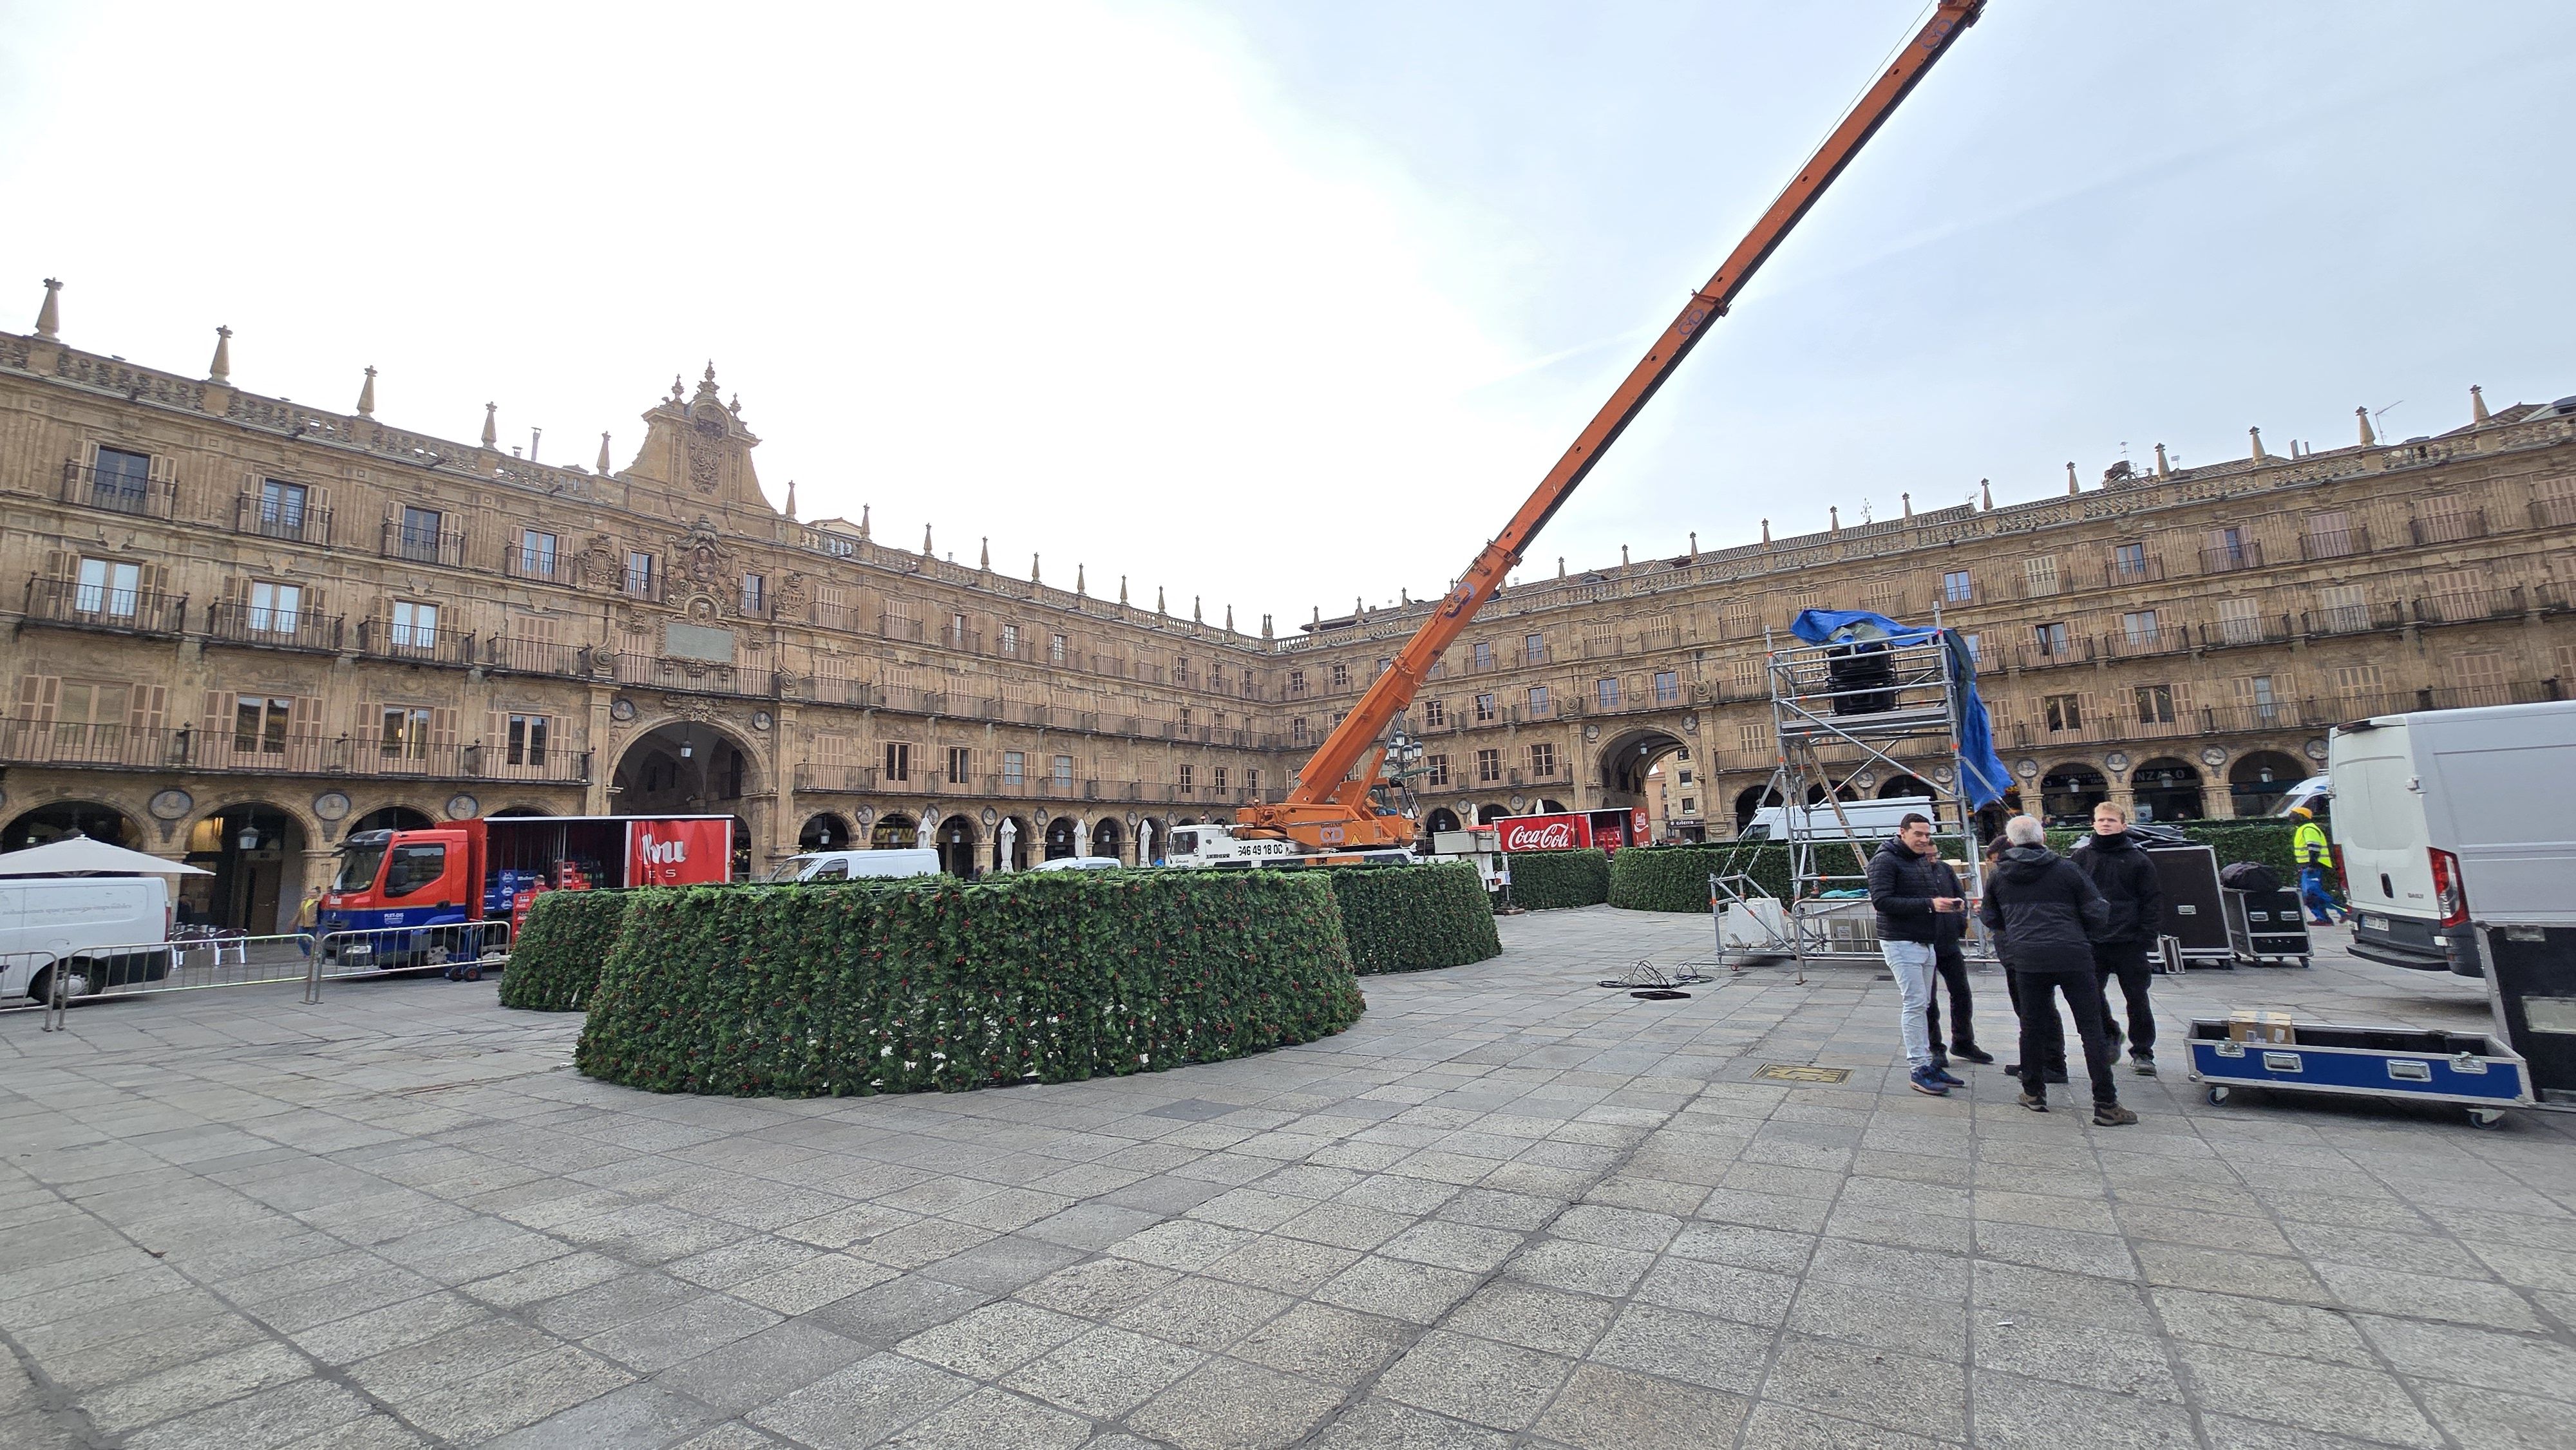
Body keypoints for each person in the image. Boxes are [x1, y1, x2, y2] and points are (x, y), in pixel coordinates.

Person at [1980, 814, 2137, 1125]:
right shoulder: (2067, 869)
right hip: (2072, 955)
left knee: (2031, 1026)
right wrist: (2080, 931)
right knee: (2091, 1029)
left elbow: (1990, 917)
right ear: (2044, 839)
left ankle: (2034, 1092)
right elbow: (2097, 910)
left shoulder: (1999, 876)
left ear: (2010, 843)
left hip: (2027, 958)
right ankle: (2106, 1103)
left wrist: (2019, 931)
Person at [1867, 812, 1970, 1097]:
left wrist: (1947, 905)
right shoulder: (1885, 860)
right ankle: (1918, 1069)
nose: (1925, 840)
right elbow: (1882, 901)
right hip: (1901, 942)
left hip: (1927, 941)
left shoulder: (1919, 860)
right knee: (1914, 1004)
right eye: (1918, 835)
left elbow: (1926, 896)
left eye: (1928, 835)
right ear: (1902, 833)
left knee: (1924, 1005)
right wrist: (1930, 904)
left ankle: (1928, 1062)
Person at [2072, 801, 2165, 1075]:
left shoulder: (2139, 860)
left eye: (2111, 820)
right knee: (2091, 996)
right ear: (2093, 824)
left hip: (2129, 942)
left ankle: (2143, 1051)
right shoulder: (2080, 859)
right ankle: (2110, 1034)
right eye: (2100, 820)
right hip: (2093, 942)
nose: (2105, 824)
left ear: (2124, 825)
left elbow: (2152, 901)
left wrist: (2146, 937)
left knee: (2137, 999)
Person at [2289, 807, 2345, 925]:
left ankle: (2343, 910)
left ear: (2302, 816)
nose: (2291, 817)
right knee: (2309, 894)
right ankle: (2323, 918)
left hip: (2314, 866)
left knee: (2312, 892)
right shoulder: (2302, 829)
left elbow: (2314, 848)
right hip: (2308, 866)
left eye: (2294, 814)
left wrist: (2312, 864)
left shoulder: (2308, 829)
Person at [294, 887, 321, 957]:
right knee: (300, 939)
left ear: (318, 894)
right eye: (310, 893)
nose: (312, 894)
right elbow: (299, 912)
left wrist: (316, 920)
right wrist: (294, 921)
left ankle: (309, 954)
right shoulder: (304, 902)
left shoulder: (319, 902)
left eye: (314, 893)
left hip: (313, 924)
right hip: (303, 923)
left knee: (311, 939)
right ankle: (308, 952)